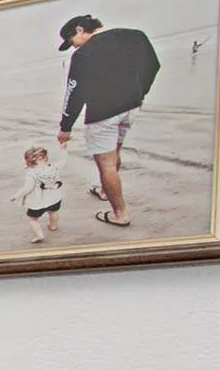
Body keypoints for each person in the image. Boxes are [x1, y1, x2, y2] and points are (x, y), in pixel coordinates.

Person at [56, 13, 161, 228]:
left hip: (102, 114)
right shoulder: (135, 36)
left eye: (72, 42)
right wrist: (140, 92)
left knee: (106, 165)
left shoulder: (83, 55)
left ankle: (119, 214)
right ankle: (105, 191)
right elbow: (153, 65)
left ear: (79, 30)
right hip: (132, 106)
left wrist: (65, 127)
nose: (74, 48)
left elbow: (74, 93)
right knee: (115, 153)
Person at [14, 141, 66, 242]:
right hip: (54, 198)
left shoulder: (31, 174)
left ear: (29, 162)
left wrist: (16, 196)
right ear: (46, 157)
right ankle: (53, 226)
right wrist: (63, 150)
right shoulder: (54, 168)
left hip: (38, 202)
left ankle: (39, 235)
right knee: (53, 212)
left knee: (33, 219)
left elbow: (27, 189)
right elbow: (63, 161)